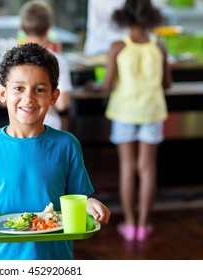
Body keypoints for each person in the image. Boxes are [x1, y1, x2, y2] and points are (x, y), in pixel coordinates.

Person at [0, 43, 111, 260]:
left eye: (40, 89)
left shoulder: (67, 145)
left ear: (54, 96)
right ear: (2, 93)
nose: (29, 97)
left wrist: (90, 204)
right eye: (19, 88)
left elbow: (79, 198)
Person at [86, 0, 172, 241]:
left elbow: (106, 84)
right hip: (152, 112)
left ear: (123, 17)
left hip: (124, 112)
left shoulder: (117, 47)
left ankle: (130, 224)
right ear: (152, 17)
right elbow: (167, 84)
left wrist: (93, 86)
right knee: (147, 169)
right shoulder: (160, 46)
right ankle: (144, 226)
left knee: (127, 168)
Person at [19, 0, 72, 130]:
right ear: (48, 29)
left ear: (22, 28)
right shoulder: (57, 60)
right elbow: (62, 104)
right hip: (49, 127)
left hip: (20, 128)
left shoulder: (14, 59)